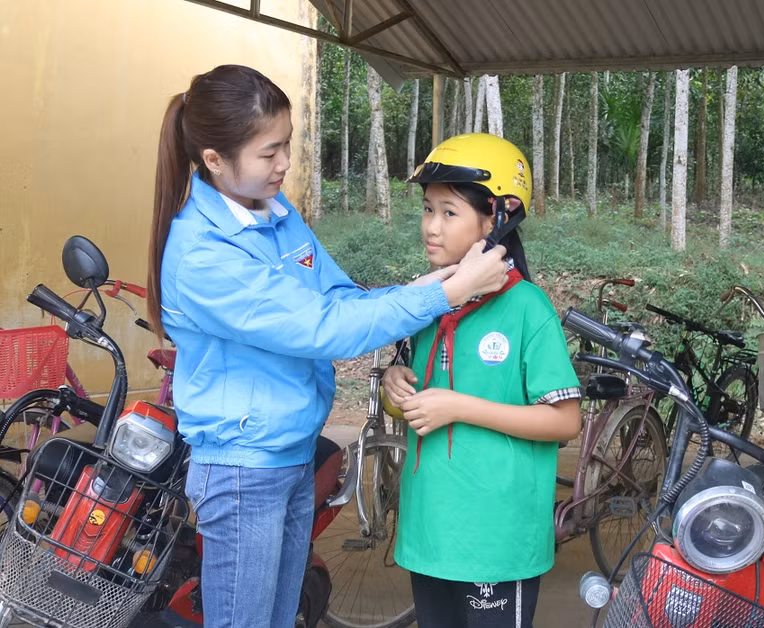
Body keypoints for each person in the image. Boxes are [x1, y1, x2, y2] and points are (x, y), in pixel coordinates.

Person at [145, 65, 509, 628]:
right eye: (269, 153)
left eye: (287, 145)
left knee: (280, 616)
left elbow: (338, 295)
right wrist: (451, 292)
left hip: (290, 453)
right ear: (215, 160)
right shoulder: (202, 256)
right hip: (244, 468)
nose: (285, 164)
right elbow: (325, 329)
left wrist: (427, 286)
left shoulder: (276, 212)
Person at [382, 133, 583, 628]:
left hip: (497, 538)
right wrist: (394, 384)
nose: (431, 227)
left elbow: (564, 421)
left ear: (497, 217)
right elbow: (415, 396)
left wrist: (458, 406)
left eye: (449, 213)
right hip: (430, 532)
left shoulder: (527, 308)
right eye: (427, 210)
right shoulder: (429, 302)